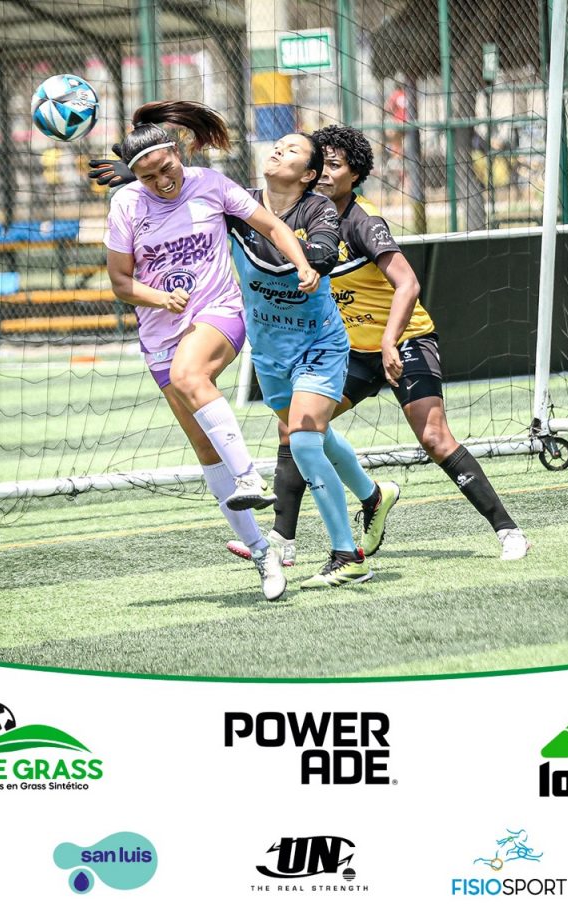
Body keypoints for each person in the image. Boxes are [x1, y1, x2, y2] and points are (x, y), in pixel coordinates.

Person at [228, 124, 528, 564]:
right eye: (321, 164)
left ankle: (508, 531)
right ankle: (284, 541)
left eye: (335, 166)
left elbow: (408, 284)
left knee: (434, 438)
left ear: (355, 175)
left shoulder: (361, 221)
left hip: (404, 340)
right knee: (296, 426)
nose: (325, 173)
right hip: (349, 350)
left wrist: (390, 342)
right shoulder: (295, 214)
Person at [93, 101, 326, 601]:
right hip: (160, 331)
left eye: (167, 168)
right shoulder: (126, 205)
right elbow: (120, 282)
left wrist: (303, 264)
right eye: (149, 177)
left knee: (188, 375)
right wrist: (159, 298)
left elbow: (273, 227)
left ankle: (250, 477)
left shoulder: (212, 185)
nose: (163, 181)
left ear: (179, 152)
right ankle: (262, 553)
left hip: (219, 311)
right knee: (205, 449)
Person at [226, 132, 398, 589]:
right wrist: (142, 177)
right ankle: (373, 495)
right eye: (278, 145)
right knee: (314, 435)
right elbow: (187, 198)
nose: (278, 150)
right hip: (268, 351)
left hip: (318, 345)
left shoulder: (317, 208)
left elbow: (322, 251)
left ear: (308, 175)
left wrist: (309, 261)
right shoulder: (239, 202)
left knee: (302, 442)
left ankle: (348, 555)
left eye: (292, 150)